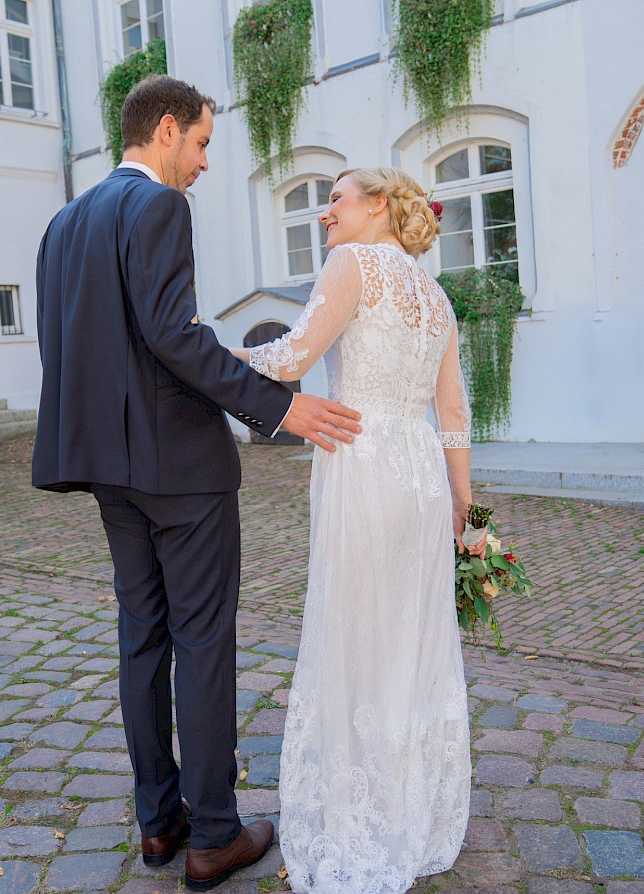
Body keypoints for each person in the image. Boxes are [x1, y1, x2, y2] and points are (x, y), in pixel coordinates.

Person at [31, 75, 362, 892]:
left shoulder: (61, 224)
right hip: (180, 470)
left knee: (142, 637)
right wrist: (278, 407)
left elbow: (70, 346)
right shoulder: (158, 207)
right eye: (206, 143)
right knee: (203, 642)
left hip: (109, 469)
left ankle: (159, 824)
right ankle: (215, 833)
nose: (206, 163)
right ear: (168, 129)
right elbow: (174, 335)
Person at [231, 166, 482, 894]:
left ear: (376, 205)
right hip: (423, 482)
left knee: (355, 637)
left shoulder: (352, 264)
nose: (325, 216)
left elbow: (293, 356)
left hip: (363, 465)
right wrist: (464, 506)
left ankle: (359, 816)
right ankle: (414, 817)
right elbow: (455, 414)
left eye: (334, 199)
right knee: (412, 641)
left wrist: (211, 358)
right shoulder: (436, 296)